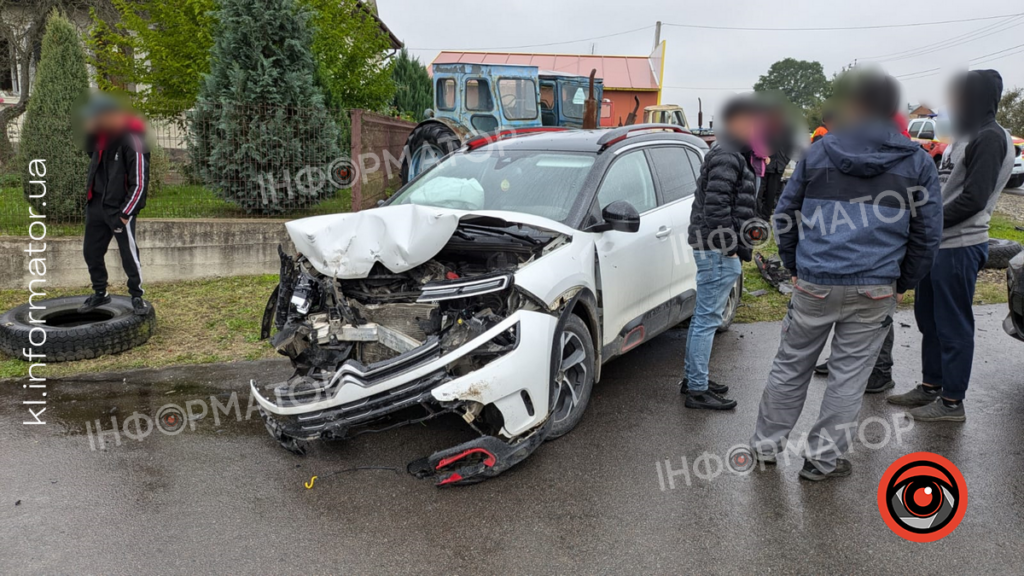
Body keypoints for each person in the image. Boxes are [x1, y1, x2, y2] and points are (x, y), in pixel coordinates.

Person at [751, 70, 942, 481]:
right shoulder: (917, 162)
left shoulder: (819, 153)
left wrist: (800, 265)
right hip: (874, 287)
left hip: (816, 281)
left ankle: (766, 448)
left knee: (790, 365)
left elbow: (784, 215)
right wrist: (900, 281)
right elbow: (927, 235)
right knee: (848, 377)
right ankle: (821, 461)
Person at [887, 70, 1015, 421]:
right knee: (928, 318)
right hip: (936, 244)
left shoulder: (990, 137)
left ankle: (952, 402)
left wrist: (928, 221)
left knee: (953, 323)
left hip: (960, 245)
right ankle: (931, 387)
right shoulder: (963, 135)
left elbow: (973, 199)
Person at [680, 96, 763, 410]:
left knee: (704, 318)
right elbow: (716, 211)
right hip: (717, 249)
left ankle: (695, 378)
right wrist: (730, 248)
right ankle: (697, 390)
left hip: (713, 247)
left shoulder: (729, 152)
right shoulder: (728, 155)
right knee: (706, 320)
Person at [78, 94, 150, 315]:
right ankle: (100, 293)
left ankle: (137, 296)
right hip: (96, 206)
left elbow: (140, 180)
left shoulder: (134, 140)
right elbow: (93, 155)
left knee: (128, 254)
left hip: (119, 209)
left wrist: (127, 212)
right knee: (91, 251)